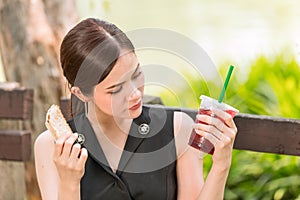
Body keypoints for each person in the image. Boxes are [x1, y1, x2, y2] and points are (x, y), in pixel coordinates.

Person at [34, 18, 238, 200]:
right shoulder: (50, 146)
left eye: (136, 74)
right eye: (115, 89)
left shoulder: (178, 129)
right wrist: (69, 183)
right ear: (81, 93)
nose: (135, 94)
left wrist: (221, 165)